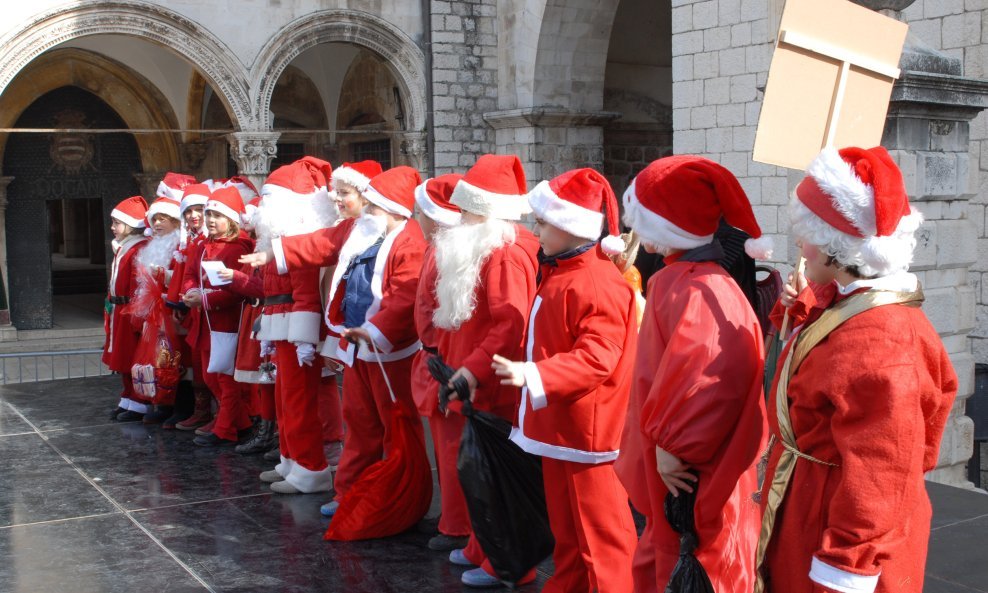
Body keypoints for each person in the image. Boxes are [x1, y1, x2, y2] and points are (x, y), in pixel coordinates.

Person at [755, 146, 958, 593]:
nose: (800, 248)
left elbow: (883, 469)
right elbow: (827, 341)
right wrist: (800, 307)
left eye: (807, 237)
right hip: (812, 499)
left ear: (835, 248)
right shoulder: (852, 302)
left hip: (833, 522)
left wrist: (846, 566)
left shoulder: (883, 341)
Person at [616, 155, 771, 593]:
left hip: (684, 464)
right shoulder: (685, 279)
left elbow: (706, 372)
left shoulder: (695, 285)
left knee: (680, 558)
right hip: (672, 451)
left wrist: (673, 445)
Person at [241, 166, 426, 515]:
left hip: (389, 352)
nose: (365, 211)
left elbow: (405, 296)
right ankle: (350, 492)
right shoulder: (358, 229)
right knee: (358, 422)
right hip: (357, 347)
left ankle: (396, 494)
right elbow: (319, 243)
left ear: (392, 209)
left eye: (372, 205)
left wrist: (375, 331)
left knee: (394, 426)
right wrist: (271, 254)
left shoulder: (410, 242)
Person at [492, 168, 638, 593]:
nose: (535, 231)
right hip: (563, 425)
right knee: (570, 535)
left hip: (587, 432)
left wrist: (534, 374)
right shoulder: (564, 270)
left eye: (543, 222)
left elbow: (598, 357)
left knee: (603, 538)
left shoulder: (595, 280)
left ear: (571, 226)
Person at [429, 154, 540, 588]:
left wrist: (472, 370)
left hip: (492, 382)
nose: (460, 218)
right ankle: (482, 546)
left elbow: (510, 324)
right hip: (475, 376)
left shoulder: (506, 254)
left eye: (468, 210)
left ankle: (506, 562)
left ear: (488, 212)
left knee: (494, 473)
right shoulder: (488, 247)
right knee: (475, 471)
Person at [248, 157, 340, 494]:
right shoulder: (278, 241)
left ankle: (310, 468)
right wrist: (267, 334)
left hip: (297, 329)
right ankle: (290, 459)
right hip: (280, 326)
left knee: (300, 402)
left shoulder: (302, 239)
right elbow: (272, 291)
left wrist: (304, 339)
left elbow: (305, 294)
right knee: (286, 399)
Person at [409, 173, 467, 552]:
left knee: (452, 451)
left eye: (422, 213)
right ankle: (452, 518)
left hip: (446, 359)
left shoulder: (449, 252)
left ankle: (459, 525)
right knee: (445, 450)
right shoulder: (435, 246)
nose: (418, 219)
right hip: (434, 358)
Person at [181, 186, 255, 446]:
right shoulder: (202, 245)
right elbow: (190, 274)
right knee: (211, 376)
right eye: (209, 214)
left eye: (218, 215)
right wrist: (190, 292)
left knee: (225, 377)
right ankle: (242, 423)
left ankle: (225, 430)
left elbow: (238, 289)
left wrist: (204, 299)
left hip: (226, 322)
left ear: (231, 219)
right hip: (204, 321)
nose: (211, 220)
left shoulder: (239, 247)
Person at [133, 194, 184, 424]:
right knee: (158, 359)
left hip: (174, 313)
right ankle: (161, 401)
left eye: (163, 219)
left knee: (177, 360)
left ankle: (180, 405)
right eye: (155, 219)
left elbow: (182, 279)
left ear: (175, 221)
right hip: (155, 313)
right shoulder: (153, 246)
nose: (157, 224)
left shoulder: (180, 247)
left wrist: (163, 278)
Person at [172, 182, 216, 432]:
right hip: (196, 310)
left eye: (199, 209)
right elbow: (188, 274)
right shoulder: (191, 241)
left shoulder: (210, 240)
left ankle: (221, 415)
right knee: (200, 365)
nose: (194, 215)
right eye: (188, 211)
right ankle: (202, 412)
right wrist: (186, 296)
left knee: (214, 367)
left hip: (214, 311)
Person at [104, 195, 150, 421]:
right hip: (118, 311)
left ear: (131, 225)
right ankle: (128, 398)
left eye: (117, 223)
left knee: (133, 358)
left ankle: (139, 401)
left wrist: (135, 314)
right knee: (121, 358)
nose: (112, 227)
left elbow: (137, 284)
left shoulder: (137, 249)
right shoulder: (123, 247)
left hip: (128, 312)